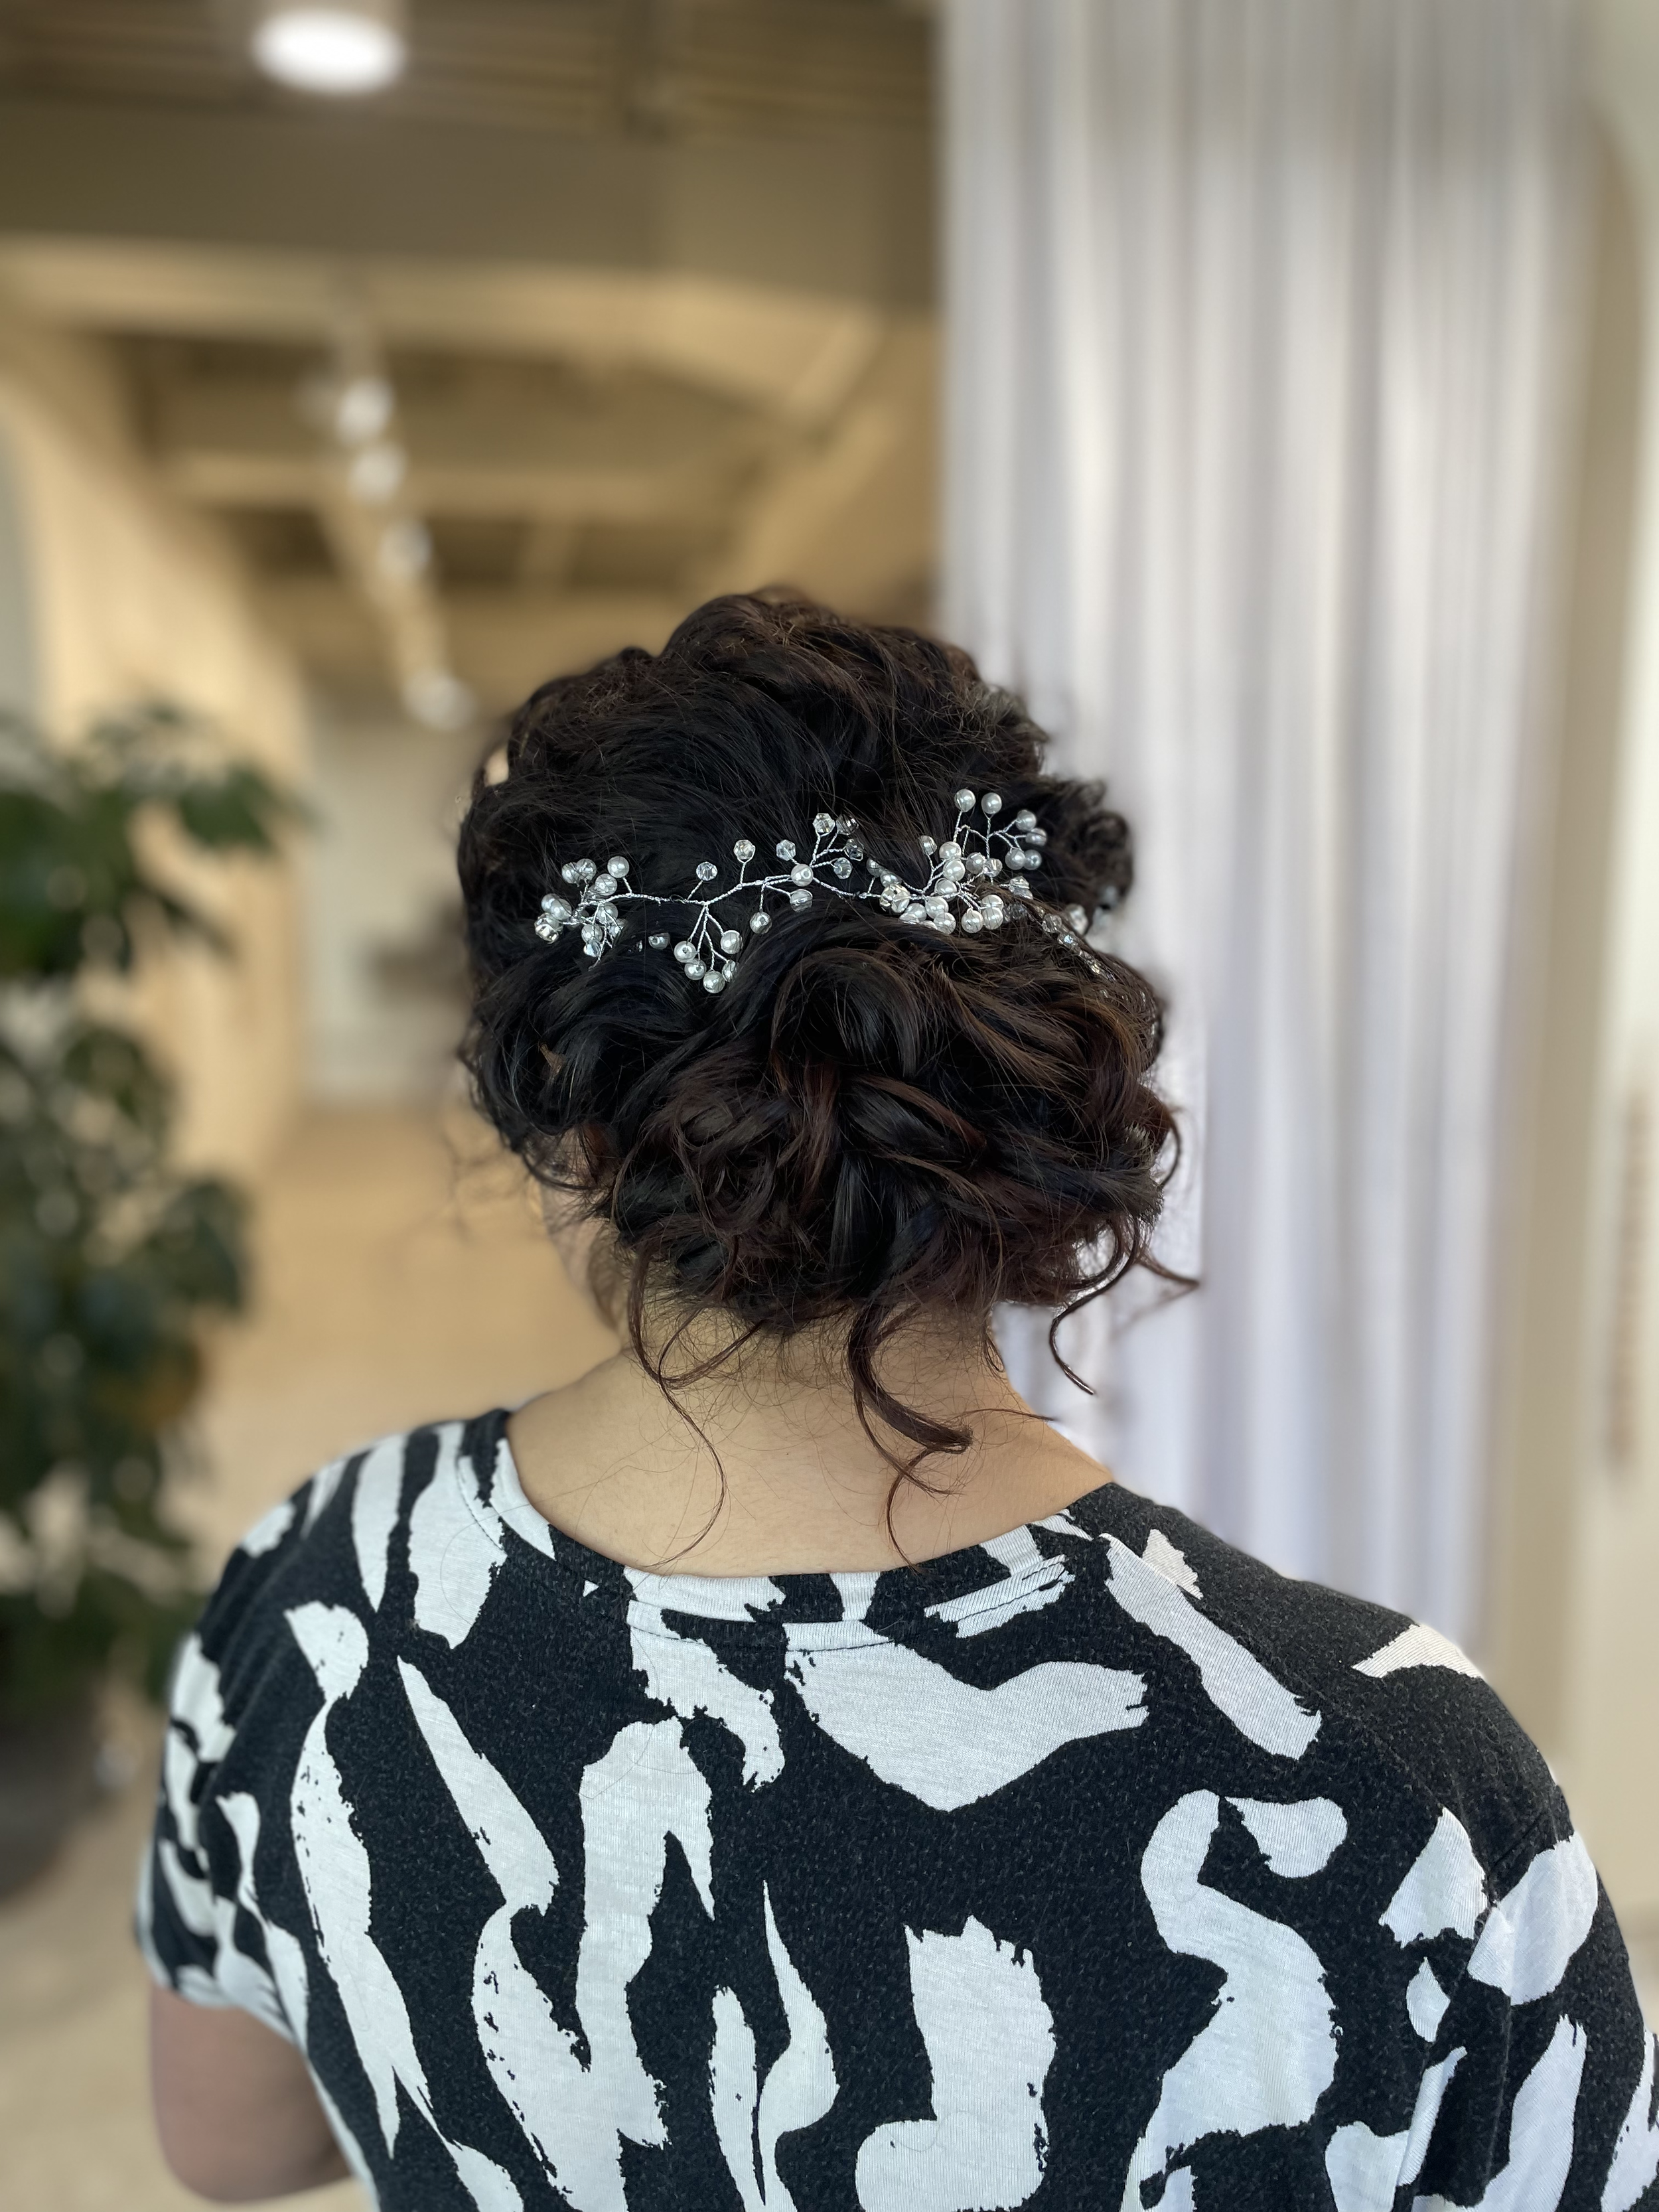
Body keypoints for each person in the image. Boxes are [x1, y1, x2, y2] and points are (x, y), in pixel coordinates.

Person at [140, 596, 1658, 2211]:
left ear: (567, 1127)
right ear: (1018, 1096)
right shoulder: (1391, 1775)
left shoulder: (322, 1594)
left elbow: (232, 2145)